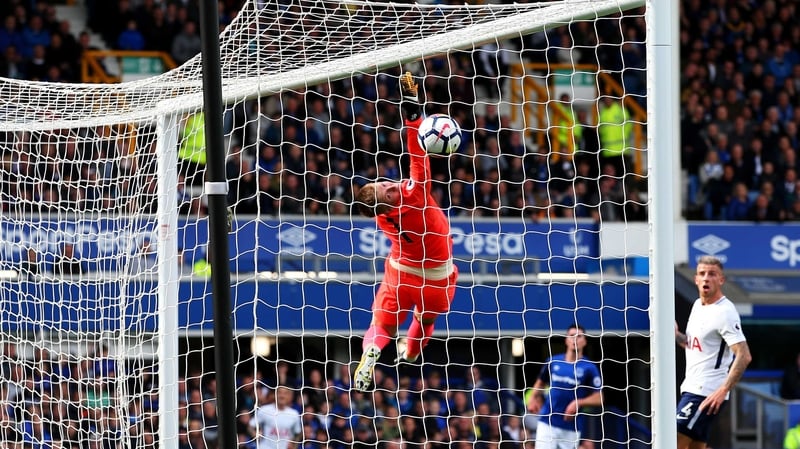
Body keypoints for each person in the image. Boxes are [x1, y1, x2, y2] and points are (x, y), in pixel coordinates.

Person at [351, 72, 458, 392]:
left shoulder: (382, 218)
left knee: (381, 324)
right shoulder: (415, 195)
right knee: (425, 321)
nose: (387, 183)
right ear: (388, 200)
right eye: (385, 188)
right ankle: (410, 352)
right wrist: (413, 113)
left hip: (400, 272)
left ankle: (372, 351)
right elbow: (418, 154)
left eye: (381, 182)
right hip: (436, 277)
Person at [674, 255, 752, 449]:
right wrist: (676, 336)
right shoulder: (697, 306)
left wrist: (722, 390)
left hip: (704, 393)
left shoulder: (725, 311)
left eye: (712, 274)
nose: (706, 278)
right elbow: (696, 345)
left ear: (721, 280)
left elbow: (744, 355)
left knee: (669, 442)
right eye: (702, 274)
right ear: (696, 279)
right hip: (693, 388)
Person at [526, 323, 603, 449]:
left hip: (571, 425)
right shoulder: (553, 361)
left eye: (579, 337)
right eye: (572, 336)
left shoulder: (589, 367)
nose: (575, 339)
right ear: (566, 340)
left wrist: (578, 403)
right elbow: (540, 382)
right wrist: (533, 398)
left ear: (585, 341)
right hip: (547, 422)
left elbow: (599, 398)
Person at [249, 385, 302, 449]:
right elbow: (250, 426)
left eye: (285, 393)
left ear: (289, 396)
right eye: (279, 393)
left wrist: (294, 445)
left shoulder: (294, 414)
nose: (282, 396)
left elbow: (298, 433)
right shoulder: (264, 410)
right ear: (275, 395)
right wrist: (255, 435)